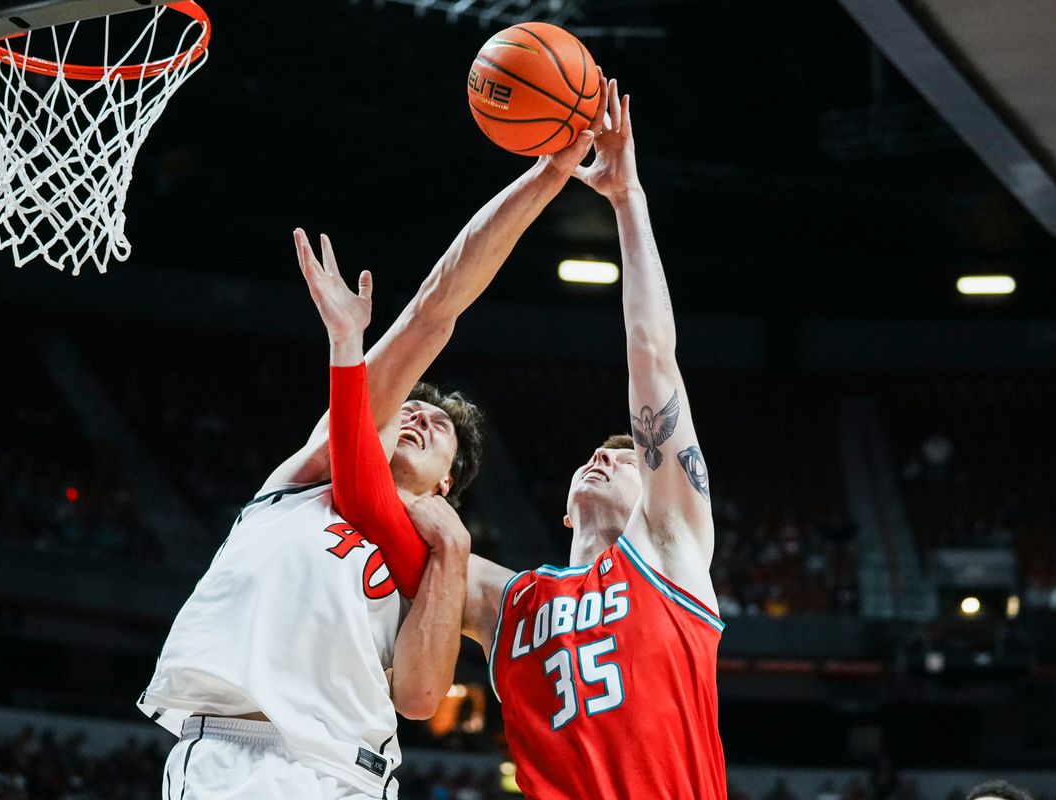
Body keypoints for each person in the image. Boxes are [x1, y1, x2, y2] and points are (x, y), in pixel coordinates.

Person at [136, 89, 607, 800]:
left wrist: (449, 554)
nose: (418, 417)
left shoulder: (428, 559)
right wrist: (545, 176)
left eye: (440, 427)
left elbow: (419, 698)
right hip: (219, 752)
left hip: (339, 771)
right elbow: (433, 309)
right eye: (409, 410)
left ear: (448, 482)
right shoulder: (307, 478)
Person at [332, 78, 727, 800]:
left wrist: (626, 200)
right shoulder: (510, 602)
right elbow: (382, 507)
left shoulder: (670, 553)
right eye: (594, 454)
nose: (605, 455)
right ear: (567, 511)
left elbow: (651, 355)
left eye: (626, 455)